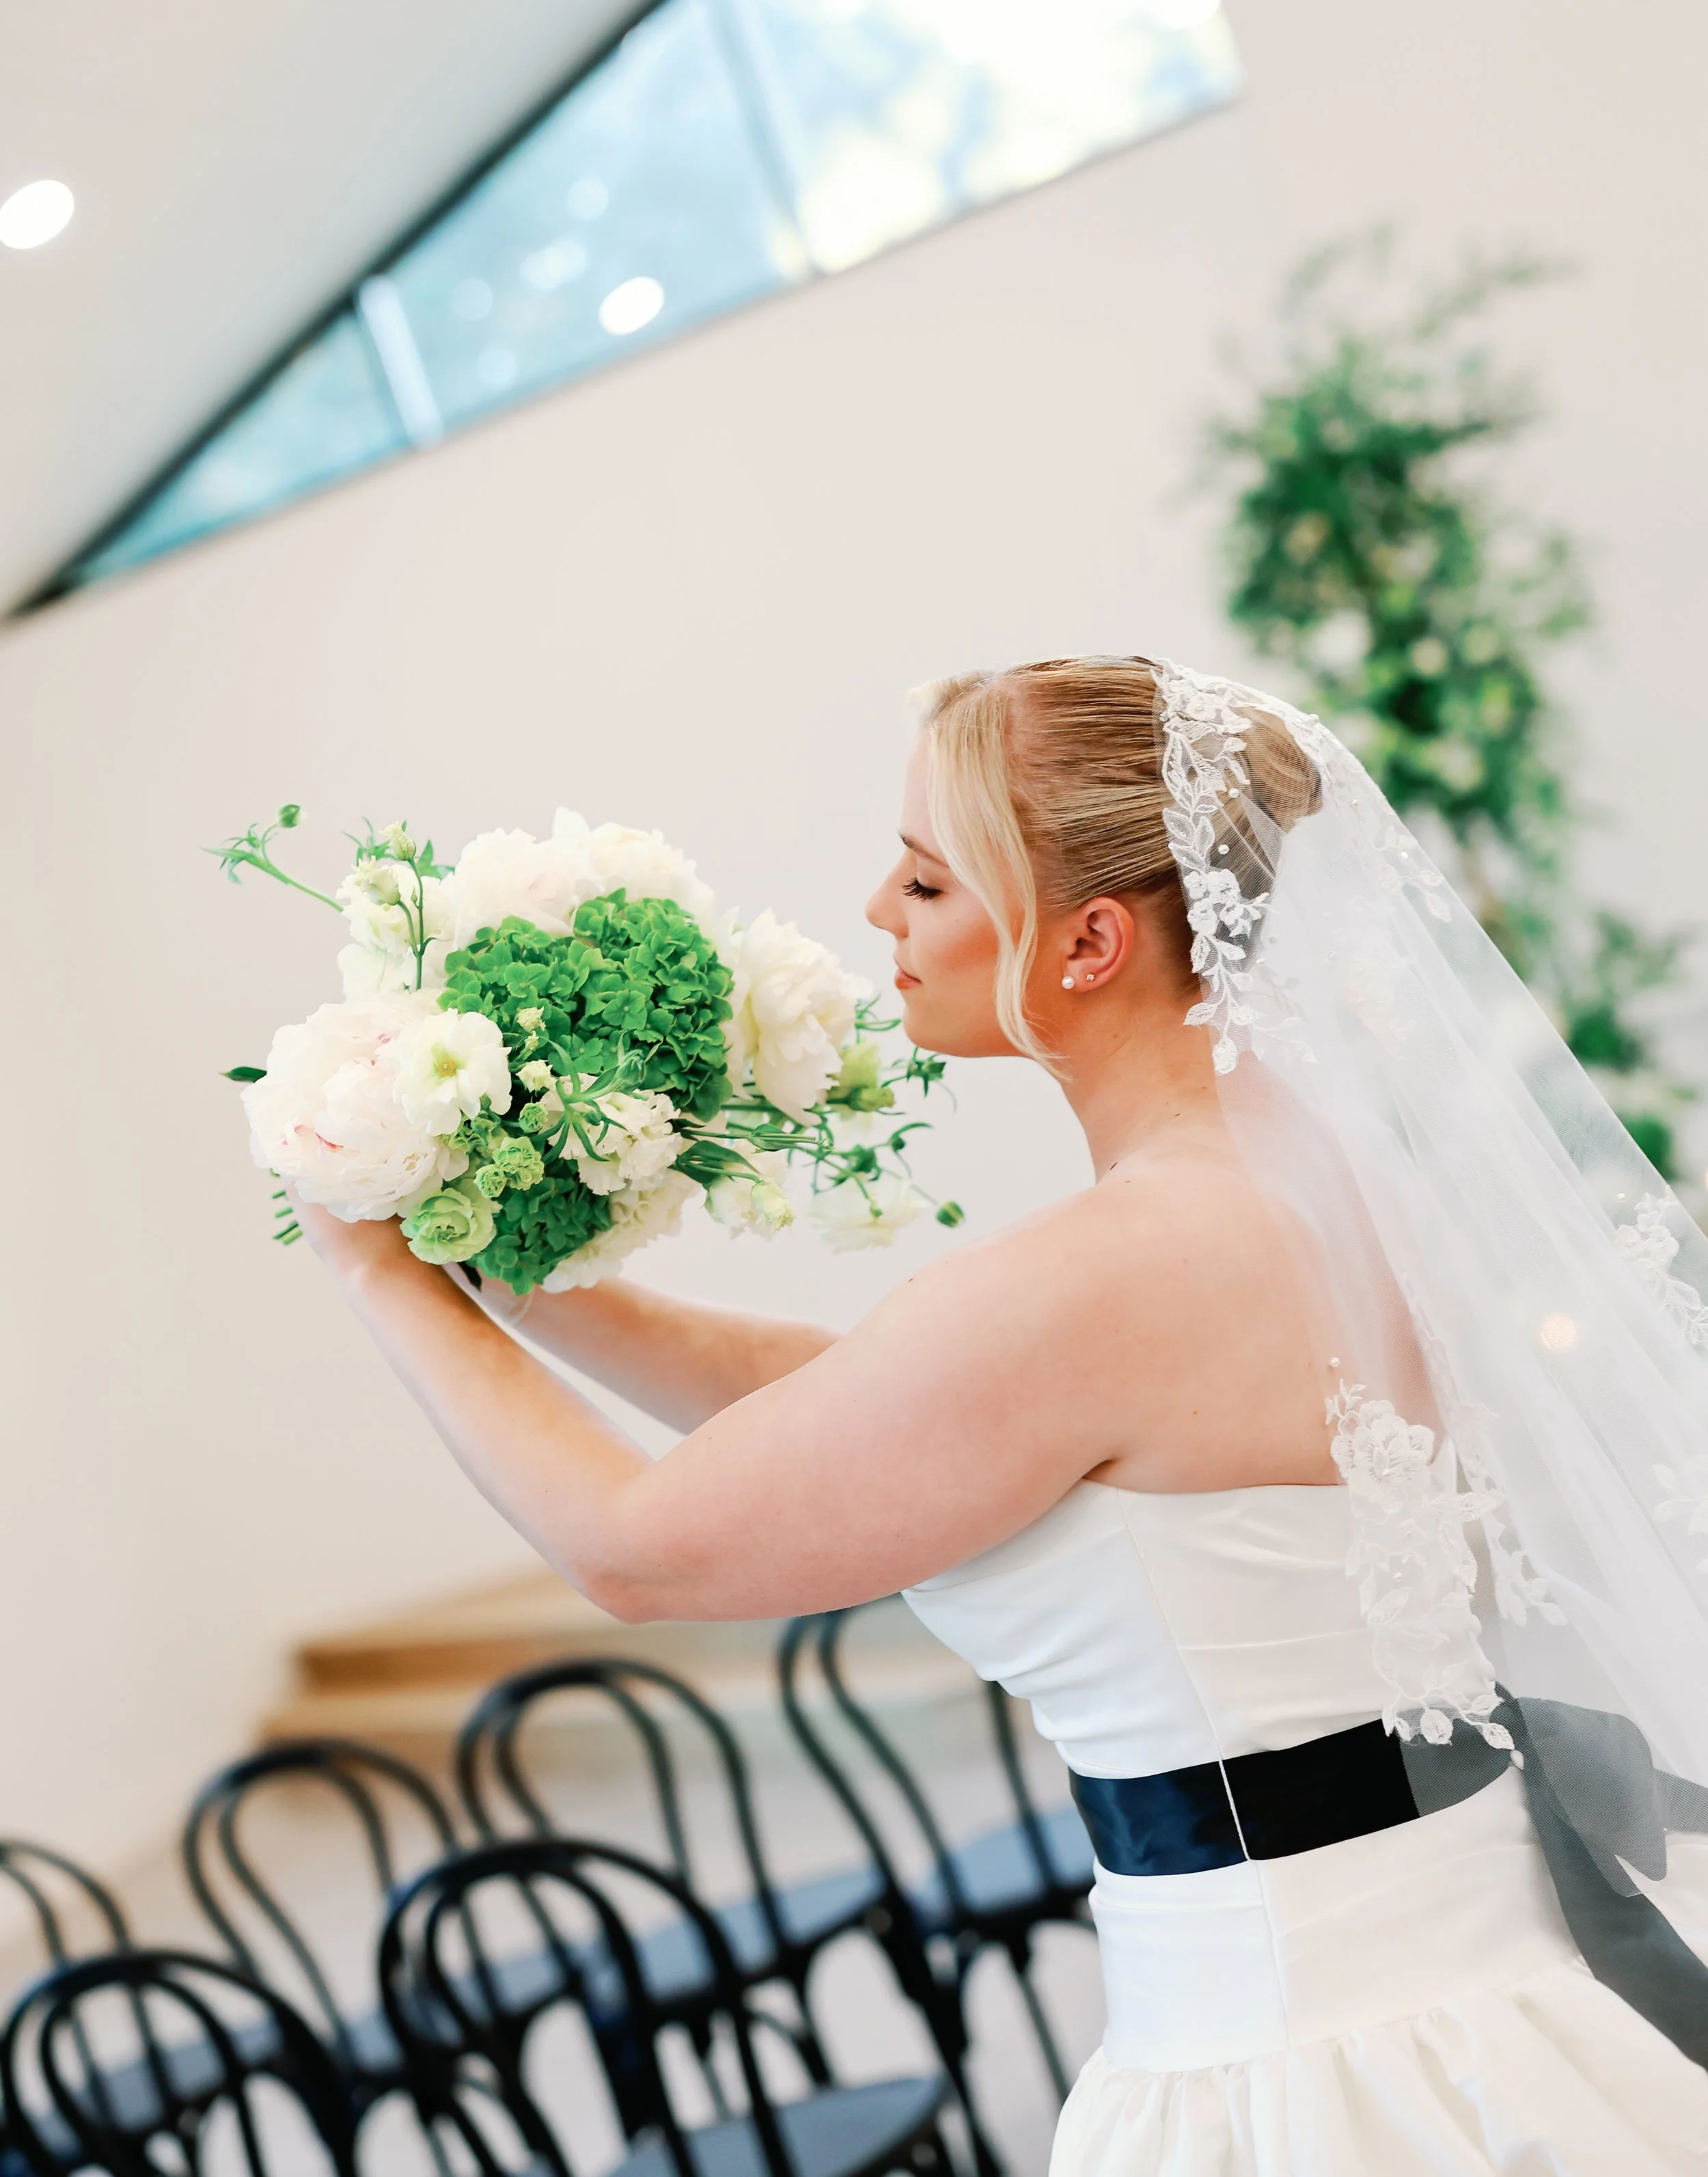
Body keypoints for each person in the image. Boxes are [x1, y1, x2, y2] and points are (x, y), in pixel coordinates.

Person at [292, 654, 1708, 2173]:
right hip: (1474, 1952)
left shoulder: (1119, 1268)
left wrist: (378, 1277)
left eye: (923, 881)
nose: (874, 916)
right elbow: (858, 1403)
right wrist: (520, 1275)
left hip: (1311, 2051)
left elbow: (637, 1552)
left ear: (1088, 939)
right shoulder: (1295, 1173)